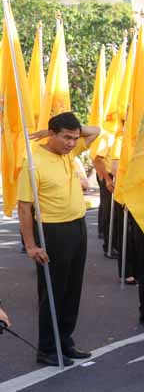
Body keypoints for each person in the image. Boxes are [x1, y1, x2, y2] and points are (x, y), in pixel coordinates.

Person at [18, 112, 100, 367]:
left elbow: (96, 131)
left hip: (77, 226)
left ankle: (65, 340)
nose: (72, 143)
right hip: (53, 231)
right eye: (66, 137)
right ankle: (47, 348)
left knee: (72, 289)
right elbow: (24, 207)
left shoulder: (69, 155)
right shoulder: (33, 163)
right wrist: (31, 245)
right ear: (52, 135)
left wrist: (70, 130)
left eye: (75, 138)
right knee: (53, 292)